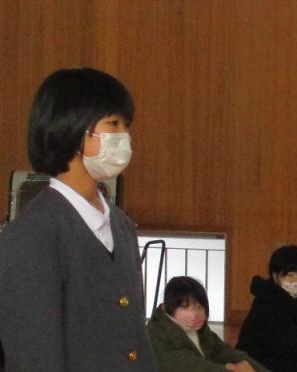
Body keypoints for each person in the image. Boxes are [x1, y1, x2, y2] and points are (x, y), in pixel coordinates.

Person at [0, 67, 156, 371]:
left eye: (126, 125)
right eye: (113, 123)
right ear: (71, 128)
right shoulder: (31, 235)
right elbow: (35, 356)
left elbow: (135, 337)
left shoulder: (121, 224)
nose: (123, 136)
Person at [148, 276, 268, 372]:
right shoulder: (157, 334)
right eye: (184, 307)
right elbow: (194, 367)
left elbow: (227, 353)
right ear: (166, 308)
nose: (194, 314)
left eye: (199, 307)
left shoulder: (202, 332)